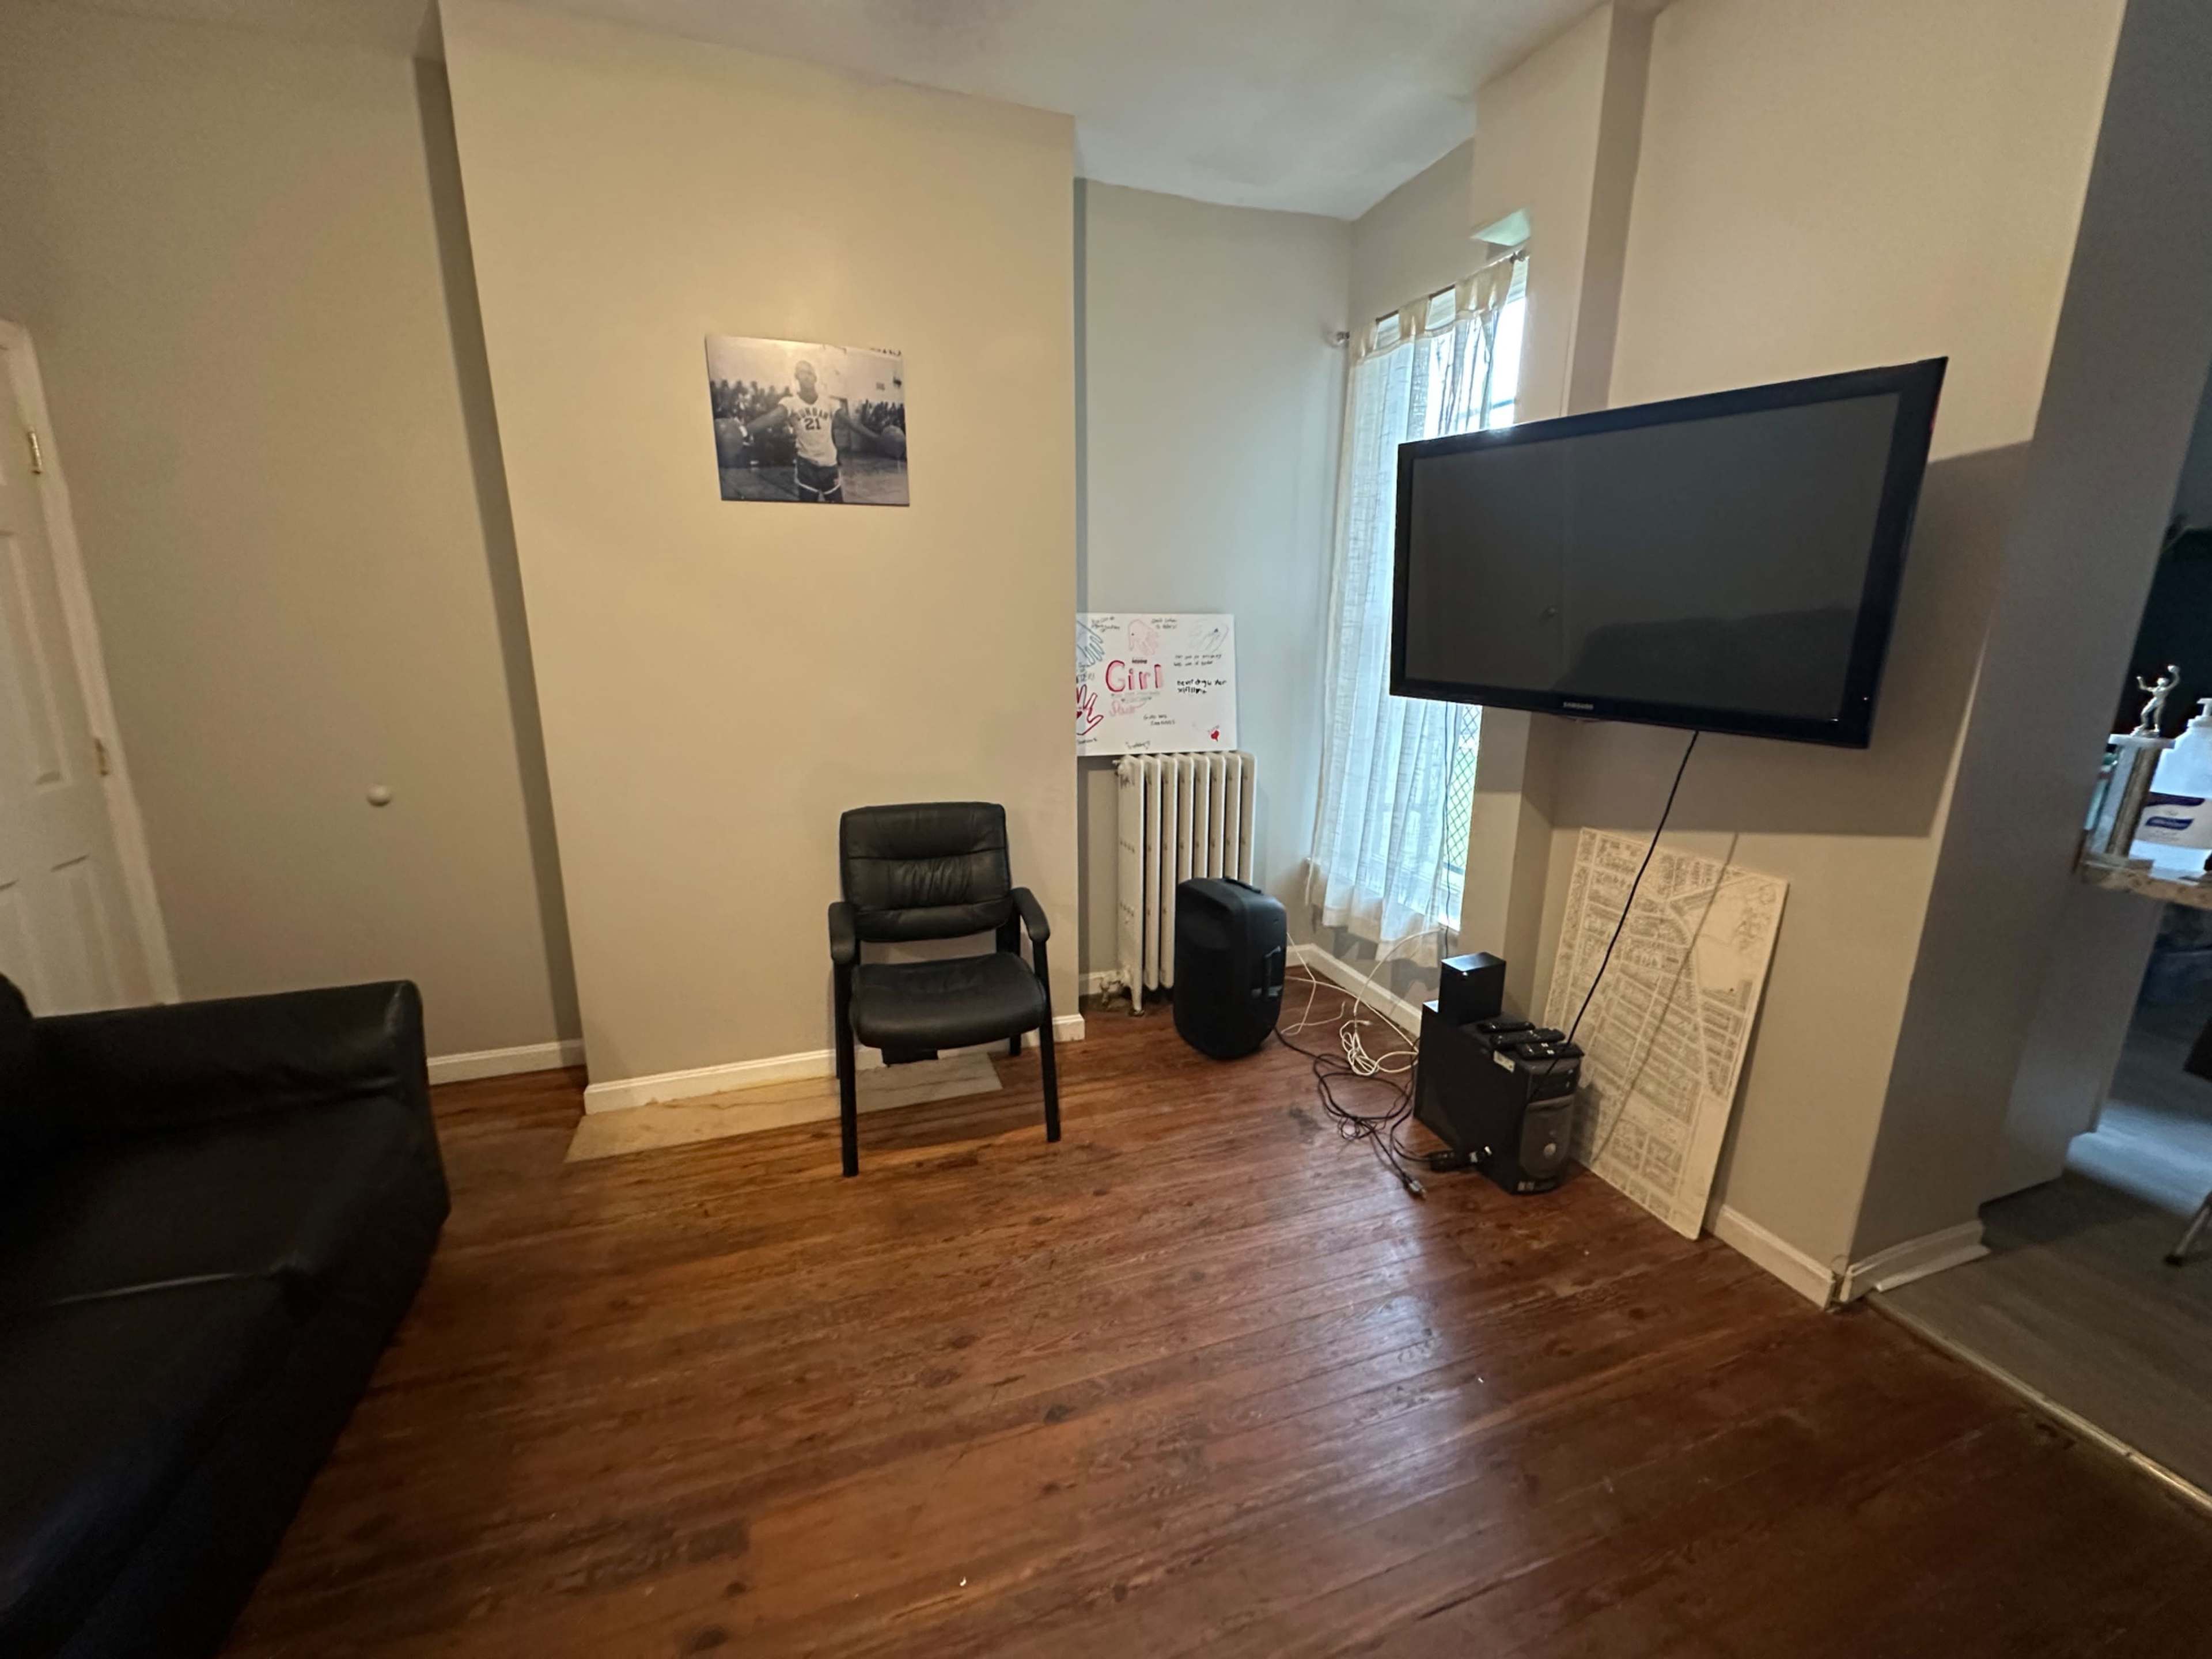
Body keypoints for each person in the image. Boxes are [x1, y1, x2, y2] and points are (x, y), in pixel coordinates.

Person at [737, 358, 874, 503]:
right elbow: (770, 418)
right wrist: (743, 431)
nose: (806, 376)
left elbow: (852, 424)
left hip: (829, 465)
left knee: (838, 507)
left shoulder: (829, 402)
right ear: (797, 376)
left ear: (815, 378)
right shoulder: (790, 402)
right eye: (802, 372)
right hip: (806, 466)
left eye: (809, 372)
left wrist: (877, 439)